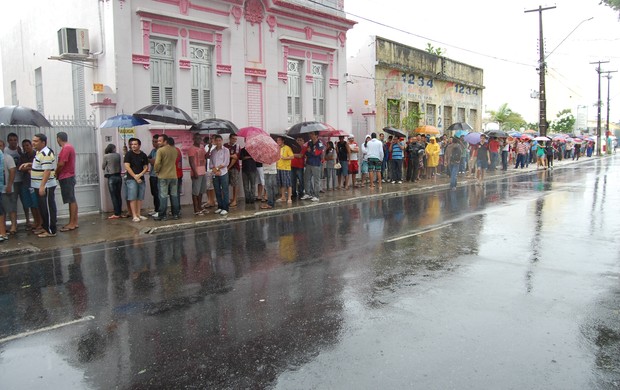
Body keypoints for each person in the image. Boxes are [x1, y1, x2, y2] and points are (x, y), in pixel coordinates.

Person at [20, 133, 58, 237]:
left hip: (46, 186)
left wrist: (42, 186)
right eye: (33, 140)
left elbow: (47, 170)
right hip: (38, 185)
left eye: (36, 141)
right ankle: (45, 227)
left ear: (43, 142)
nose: (33, 143)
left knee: (48, 208)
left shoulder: (46, 153)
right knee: (42, 208)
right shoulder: (39, 152)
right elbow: (41, 165)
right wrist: (30, 164)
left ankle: (51, 230)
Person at [153, 134, 180, 221]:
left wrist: (157, 170)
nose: (158, 142)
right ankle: (176, 214)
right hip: (173, 175)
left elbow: (157, 163)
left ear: (165, 141)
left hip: (163, 176)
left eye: (160, 141)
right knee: (174, 195)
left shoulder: (160, 150)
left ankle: (162, 215)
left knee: (163, 196)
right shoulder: (175, 150)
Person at [55, 132, 79, 232]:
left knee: (70, 200)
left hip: (66, 176)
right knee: (72, 199)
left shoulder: (66, 148)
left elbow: (61, 164)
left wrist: (56, 173)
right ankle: (74, 221)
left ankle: (72, 223)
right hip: (68, 176)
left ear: (58, 138)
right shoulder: (69, 147)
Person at [18, 139, 42, 231]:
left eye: (27, 145)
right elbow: (20, 168)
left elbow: (37, 166)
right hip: (26, 182)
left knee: (36, 204)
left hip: (35, 183)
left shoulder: (37, 155)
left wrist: (28, 167)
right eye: (24, 146)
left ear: (31, 145)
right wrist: (28, 168)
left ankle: (40, 222)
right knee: (31, 204)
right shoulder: (23, 156)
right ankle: (36, 222)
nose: (25, 147)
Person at [123, 137, 149, 222]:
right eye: (132, 144)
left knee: (140, 197)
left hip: (141, 178)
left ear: (139, 145)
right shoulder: (128, 154)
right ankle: (134, 215)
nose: (133, 146)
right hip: (131, 179)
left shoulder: (143, 155)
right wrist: (135, 176)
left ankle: (138, 214)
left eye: (135, 144)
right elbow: (127, 166)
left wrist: (140, 175)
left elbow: (146, 167)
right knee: (133, 197)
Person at [5, 133, 24, 233]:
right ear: (8, 141)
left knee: (25, 202)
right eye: (11, 140)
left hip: (22, 180)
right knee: (12, 203)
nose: (13, 142)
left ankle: (29, 220)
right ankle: (14, 224)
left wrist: (21, 153)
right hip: (12, 181)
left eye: (15, 140)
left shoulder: (20, 150)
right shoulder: (5, 152)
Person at [209, 134, 231, 216]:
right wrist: (214, 169)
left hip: (223, 173)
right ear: (214, 141)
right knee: (217, 190)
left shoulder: (226, 150)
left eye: (219, 140)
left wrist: (217, 169)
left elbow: (226, 162)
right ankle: (220, 206)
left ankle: (226, 208)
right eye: (216, 141)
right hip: (215, 173)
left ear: (222, 141)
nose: (218, 142)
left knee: (224, 190)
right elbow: (211, 163)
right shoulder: (213, 151)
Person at [0, 140, 17, 236]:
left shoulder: (7, 158)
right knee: (1, 210)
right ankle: (3, 228)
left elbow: (12, 171)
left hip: (6, 188)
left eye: (0, 145)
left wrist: (9, 185)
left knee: (10, 208)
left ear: (3, 146)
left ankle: (13, 226)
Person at [301, 131, 324, 201]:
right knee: (306, 178)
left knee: (316, 180)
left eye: (312, 134)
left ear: (316, 135)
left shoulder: (320, 144)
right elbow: (307, 153)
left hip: (316, 164)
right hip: (309, 163)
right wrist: (310, 152)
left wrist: (310, 151)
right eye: (310, 134)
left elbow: (316, 153)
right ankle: (308, 193)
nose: (310, 135)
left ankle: (316, 196)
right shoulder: (309, 142)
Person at [188, 133, 207, 215]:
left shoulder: (202, 147)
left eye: (200, 138)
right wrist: (195, 172)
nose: (199, 140)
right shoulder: (191, 149)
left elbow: (207, 156)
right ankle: (196, 209)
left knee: (201, 191)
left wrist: (209, 149)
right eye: (197, 138)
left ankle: (200, 206)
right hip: (196, 172)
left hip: (203, 171)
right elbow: (191, 161)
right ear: (194, 139)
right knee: (195, 191)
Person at [102, 144, 123, 219]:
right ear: (113, 149)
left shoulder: (106, 156)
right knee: (118, 195)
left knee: (113, 196)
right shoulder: (118, 155)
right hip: (119, 176)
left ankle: (116, 213)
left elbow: (103, 166)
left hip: (111, 177)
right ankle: (119, 212)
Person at [276, 136, 294, 203]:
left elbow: (292, 156)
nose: (278, 142)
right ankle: (283, 197)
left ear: (283, 141)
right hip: (279, 167)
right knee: (281, 184)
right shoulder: (277, 148)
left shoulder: (287, 148)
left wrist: (284, 158)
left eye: (279, 140)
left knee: (288, 183)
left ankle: (289, 198)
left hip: (286, 168)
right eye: (277, 140)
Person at [224, 134, 240, 207]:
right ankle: (226, 199)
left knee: (235, 184)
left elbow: (235, 157)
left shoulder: (237, 146)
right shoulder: (225, 145)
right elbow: (223, 155)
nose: (234, 140)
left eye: (235, 139)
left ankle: (234, 200)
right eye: (233, 138)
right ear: (229, 138)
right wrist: (230, 155)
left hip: (234, 167)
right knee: (225, 184)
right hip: (224, 167)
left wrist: (228, 167)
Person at [147, 134, 160, 217]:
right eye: (153, 141)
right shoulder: (153, 151)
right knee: (154, 193)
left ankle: (159, 210)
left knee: (158, 193)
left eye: (156, 142)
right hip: (152, 174)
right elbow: (148, 158)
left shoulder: (160, 151)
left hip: (158, 176)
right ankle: (156, 209)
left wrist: (148, 159)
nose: (154, 143)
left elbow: (153, 162)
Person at [203, 135, 217, 208]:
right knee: (207, 186)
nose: (212, 140)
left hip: (213, 169)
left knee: (212, 186)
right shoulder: (207, 146)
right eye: (211, 138)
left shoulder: (216, 147)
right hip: (207, 168)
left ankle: (212, 200)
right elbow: (206, 156)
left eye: (213, 139)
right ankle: (209, 200)